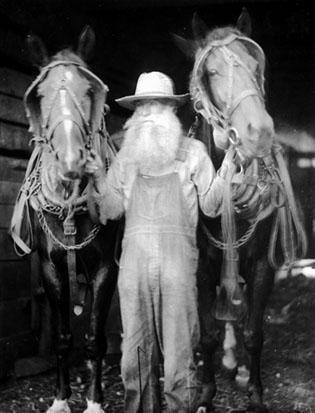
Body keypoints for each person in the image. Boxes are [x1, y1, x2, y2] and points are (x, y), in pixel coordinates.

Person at [86, 71, 226, 412]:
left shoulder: (193, 152)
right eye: (143, 105)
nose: (150, 111)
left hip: (178, 267)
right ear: (135, 112)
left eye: (158, 104)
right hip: (133, 269)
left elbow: (212, 204)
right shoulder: (126, 158)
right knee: (134, 352)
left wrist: (231, 164)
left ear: (172, 110)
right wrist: (96, 178)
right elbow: (110, 210)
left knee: (179, 351)